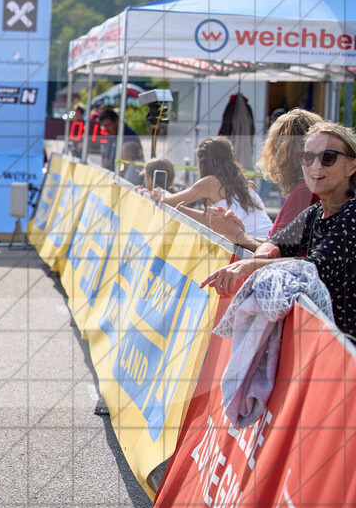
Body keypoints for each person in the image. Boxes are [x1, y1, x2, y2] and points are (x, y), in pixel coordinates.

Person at [201, 121, 356, 341]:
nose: (316, 165)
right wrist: (261, 252)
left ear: (351, 166)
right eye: (308, 157)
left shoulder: (352, 214)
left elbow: (314, 266)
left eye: (328, 157)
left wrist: (251, 264)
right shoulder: (315, 211)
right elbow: (276, 243)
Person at [207, 109, 322, 250]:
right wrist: (239, 233)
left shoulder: (304, 192)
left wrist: (234, 233)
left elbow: (275, 253)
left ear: (280, 151)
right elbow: (274, 243)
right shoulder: (312, 190)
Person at [148, 136, 272, 238]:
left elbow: (169, 201)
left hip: (249, 243)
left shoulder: (210, 183)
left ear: (202, 161)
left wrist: (161, 193)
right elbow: (209, 220)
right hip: (266, 239)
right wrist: (180, 209)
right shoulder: (241, 181)